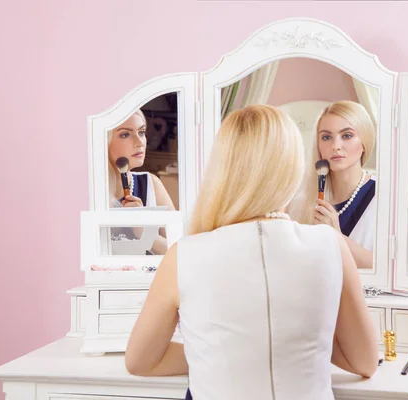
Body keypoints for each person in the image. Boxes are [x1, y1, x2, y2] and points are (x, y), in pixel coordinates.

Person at [125, 105, 379, 399]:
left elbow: (140, 361)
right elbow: (365, 362)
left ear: (222, 168)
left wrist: (218, 349)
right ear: (291, 166)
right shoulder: (331, 245)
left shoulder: (183, 255)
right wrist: (298, 337)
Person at [288, 100, 377, 270]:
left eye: (347, 135)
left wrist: (335, 236)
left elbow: (387, 271)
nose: (335, 146)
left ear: (364, 141)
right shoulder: (302, 199)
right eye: (326, 137)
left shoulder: (383, 199)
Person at [107, 109, 176, 254]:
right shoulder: (90, 190)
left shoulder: (151, 184)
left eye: (142, 132)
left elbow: (181, 252)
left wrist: (143, 230)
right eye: (125, 134)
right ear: (104, 141)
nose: (139, 142)